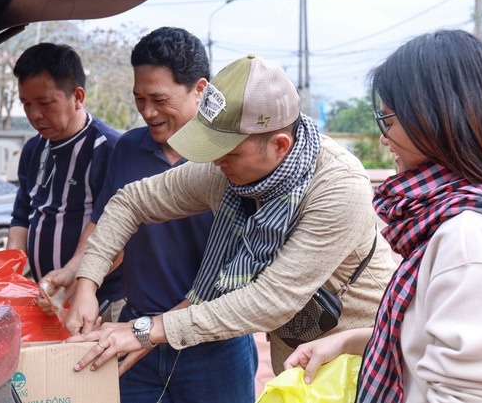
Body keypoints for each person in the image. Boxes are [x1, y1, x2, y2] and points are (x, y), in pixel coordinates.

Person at [66, 53, 396, 379]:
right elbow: (130, 201)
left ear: (279, 145)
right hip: (295, 356)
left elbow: (272, 299)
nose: (216, 162)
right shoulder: (224, 170)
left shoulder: (338, 187)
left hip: (360, 357)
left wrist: (145, 329)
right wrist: (87, 283)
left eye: (228, 152)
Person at [284, 29, 482, 402]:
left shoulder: (466, 239)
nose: (384, 138)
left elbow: (472, 394)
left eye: (389, 120)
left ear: (434, 120)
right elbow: (442, 337)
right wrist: (348, 341)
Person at [41, 27, 258, 403]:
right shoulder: (127, 148)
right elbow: (109, 228)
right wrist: (77, 276)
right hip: (133, 335)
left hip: (214, 345)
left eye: (158, 99)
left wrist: (160, 327)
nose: (147, 111)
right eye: (139, 98)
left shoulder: (232, 159)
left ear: (200, 89)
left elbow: (244, 271)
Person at [8, 43, 123, 319]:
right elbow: (21, 218)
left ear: (78, 96)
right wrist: (9, 274)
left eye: (45, 103)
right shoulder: (34, 149)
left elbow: (111, 231)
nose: (34, 115)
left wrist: (72, 281)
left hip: (97, 302)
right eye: (26, 104)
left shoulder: (108, 149)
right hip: (47, 297)